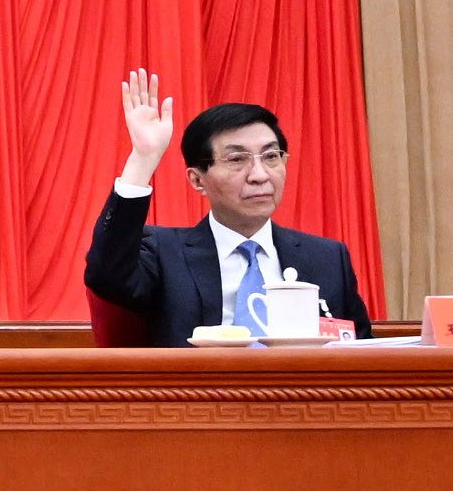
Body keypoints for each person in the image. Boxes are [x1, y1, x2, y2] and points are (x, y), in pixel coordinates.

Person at [83, 69, 374, 342]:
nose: (260, 175)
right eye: (237, 160)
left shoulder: (326, 258)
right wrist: (143, 160)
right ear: (197, 180)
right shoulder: (164, 253)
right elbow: (107, 275)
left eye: (271, 157)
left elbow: (361, 354)